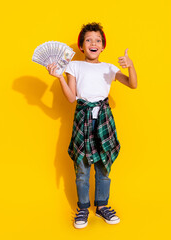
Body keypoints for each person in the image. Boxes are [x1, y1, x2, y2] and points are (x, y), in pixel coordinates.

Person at [46, 22, 137, 229]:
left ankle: (102, 205)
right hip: (83, 119)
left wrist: (130, 65)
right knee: (82, 166)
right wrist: (59, 76)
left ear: (103, 46)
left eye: (97, 40)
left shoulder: (109, 68)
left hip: (104, 119)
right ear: (81, 46)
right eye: (88, 40)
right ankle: (83, 208)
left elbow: (132, 84)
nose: (93, 43)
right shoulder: (74, 66)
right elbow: (71, 98)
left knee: (104, 166)